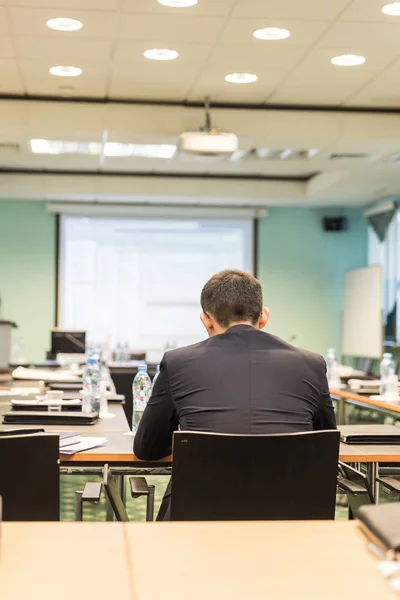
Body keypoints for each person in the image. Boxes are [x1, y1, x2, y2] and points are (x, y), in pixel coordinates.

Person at [134, 269, 337, 519]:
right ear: (263, 317)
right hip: (292, 520)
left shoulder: (178, 362)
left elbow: (147, 448)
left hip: (196, 519)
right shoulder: (312, 363)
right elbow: (325, 441)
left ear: (206, 320)